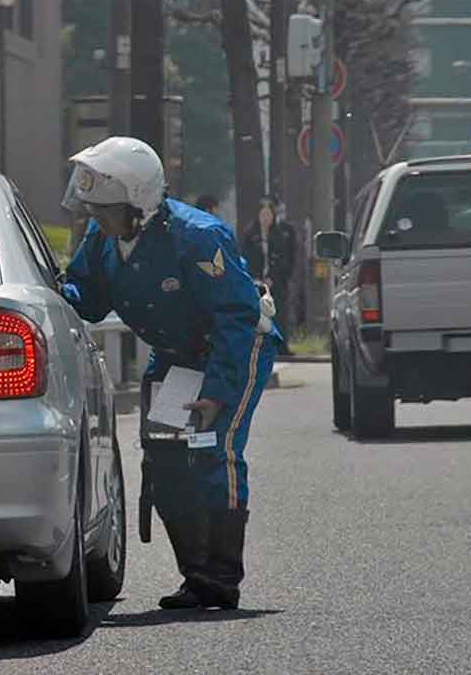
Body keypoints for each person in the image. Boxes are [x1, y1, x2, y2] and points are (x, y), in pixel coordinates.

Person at [60, 137, 280, 610]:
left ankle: (221, 577)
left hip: (233, 349)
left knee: (213, 447)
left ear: (139, 203)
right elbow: (89, 297)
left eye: (107, 208)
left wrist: (218, 392)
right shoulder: (103, 239)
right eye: (92, 208)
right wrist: (55, 292)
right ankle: (195, 576)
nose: (96, 218)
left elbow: (235, 319)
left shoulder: (198, 237)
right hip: (176, 355)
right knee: (163, 457)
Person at [242, 194, 297, 334]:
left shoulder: (281, 234)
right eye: (263, 214)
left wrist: (272, 277)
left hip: (276, 281)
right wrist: (256, 278)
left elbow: (284, 258)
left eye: (268, 215)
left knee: (279, 312)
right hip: (256, 280)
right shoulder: (250, 234)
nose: (266, 218)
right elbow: (246, 257)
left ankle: (281, 344)